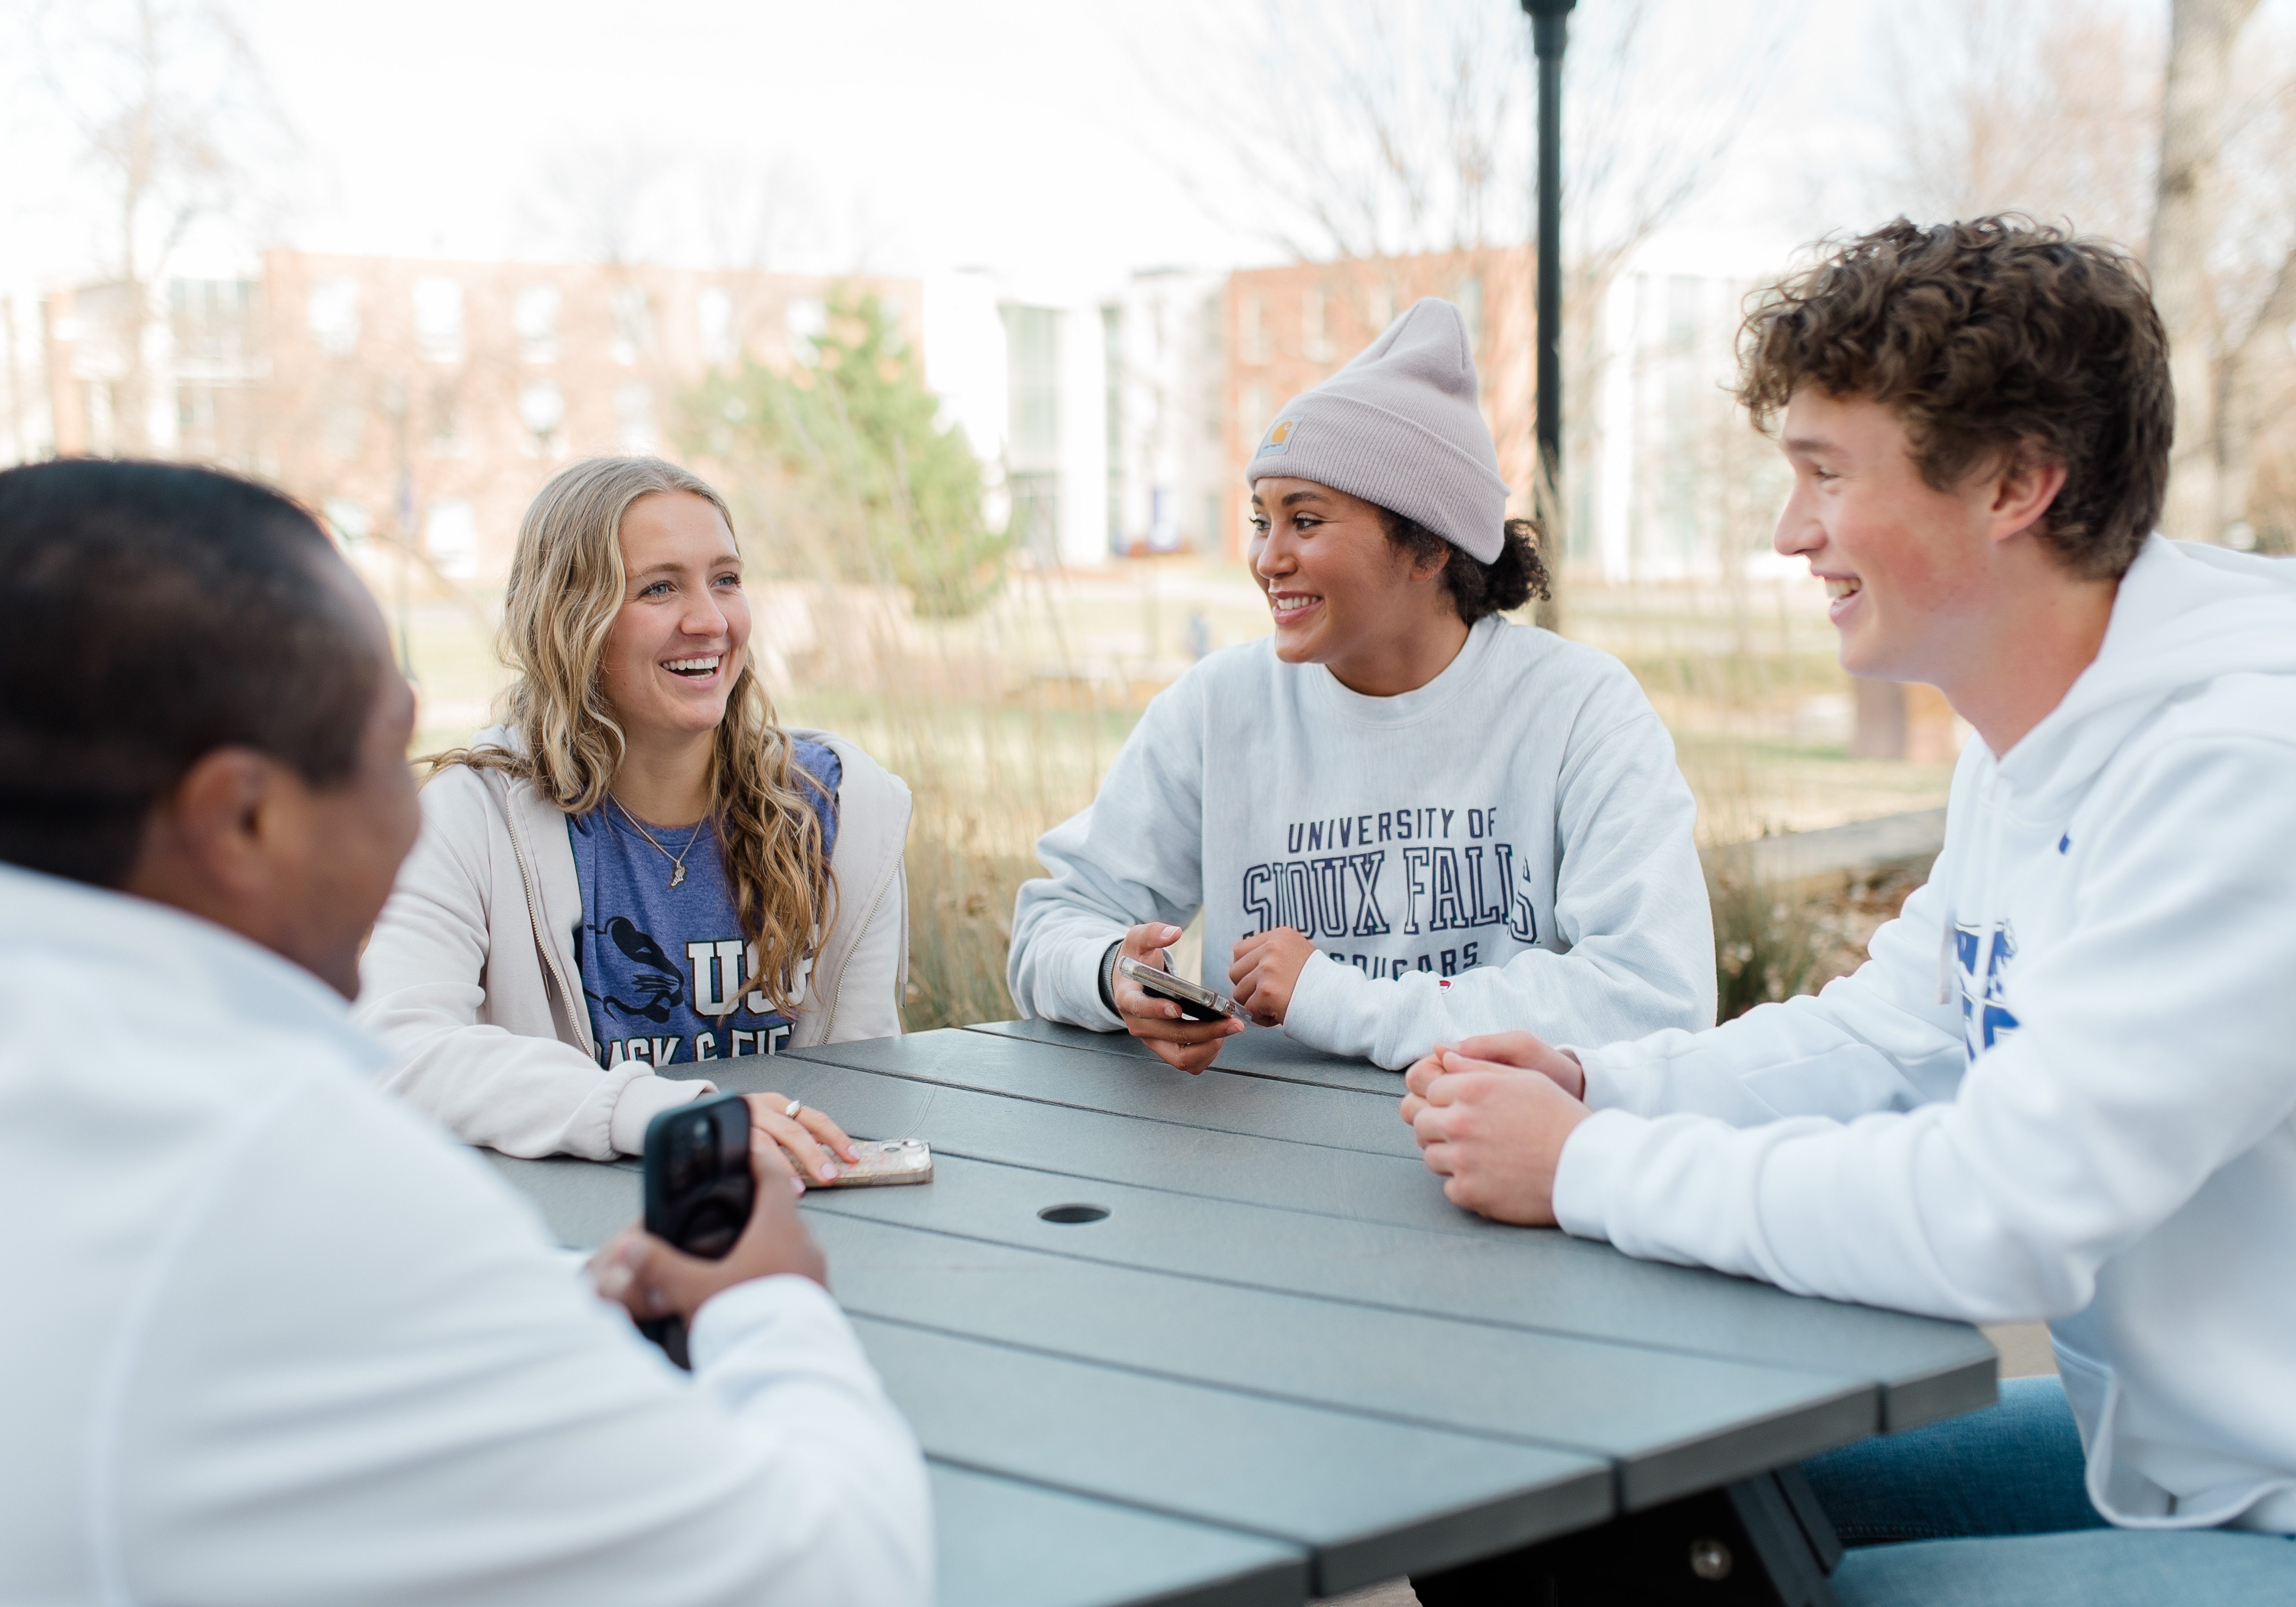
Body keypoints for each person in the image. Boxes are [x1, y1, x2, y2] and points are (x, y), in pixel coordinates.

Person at [1402, 219, 2296, 1603]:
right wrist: (1598, 1081)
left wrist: (1582, 1166)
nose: (1788, 529)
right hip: (2180, 1453)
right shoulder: (2040, 743)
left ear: (2014, 482)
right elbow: (1893, 1034)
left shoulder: (2261, 778)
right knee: (1548, 1513)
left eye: (1825, 473)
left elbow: (2004, 1211)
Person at [0, 459, 930, 1605]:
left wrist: (535, 1294)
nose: (414, 812)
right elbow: (831, 1569)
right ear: (241, 817)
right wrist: (762, 1301)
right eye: (385, 750)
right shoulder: (287, 1173)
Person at [1009, 298, 1714, 1073]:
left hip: (1488, 1161)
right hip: (1249, 1162)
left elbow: (1655, 994)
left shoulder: (1578, 707)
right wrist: (1114, 974)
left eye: (1305, 522)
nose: (1267, 559)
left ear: (1427, 547)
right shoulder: (1218, 708)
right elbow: (1052, 923)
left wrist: (1333, 998)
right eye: (1260, 520)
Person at [356, 457, 911, 1182]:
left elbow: (859, 1076)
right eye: (658, 588)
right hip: (565, 1239)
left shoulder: (839, 809)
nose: (708, 621)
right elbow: (396, 1051)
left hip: (793, 1212)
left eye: (726, 579)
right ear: (570, 619)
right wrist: (656, 1114)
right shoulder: (473, 814)